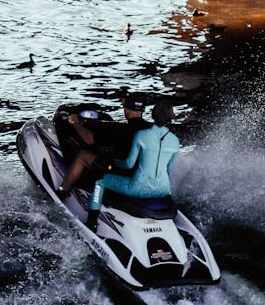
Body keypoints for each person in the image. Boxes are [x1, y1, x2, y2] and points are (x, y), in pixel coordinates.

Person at [85, 103, 180, 232]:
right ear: (170, 118)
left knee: (100, 182)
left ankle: (91, 222)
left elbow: (128, 164)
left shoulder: (141, 135)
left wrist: (113, 163)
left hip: (137, 188)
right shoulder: (175, 141)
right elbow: (168, 170)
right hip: (163, 190)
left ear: (152, 115)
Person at [57, 98, 152, 198]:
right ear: (142, 110)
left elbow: (88, 139)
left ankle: (63, 191)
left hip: (124, 174)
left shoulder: (121, 129)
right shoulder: (152, 128)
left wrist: (75, 122)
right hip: (145, 174)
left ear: (126, 110)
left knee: (83, 155)